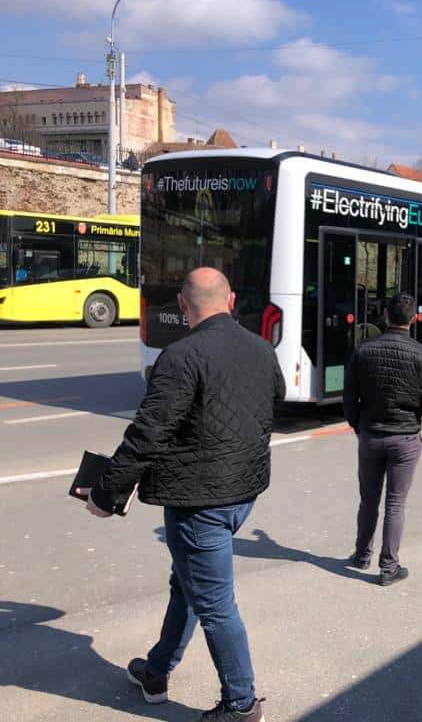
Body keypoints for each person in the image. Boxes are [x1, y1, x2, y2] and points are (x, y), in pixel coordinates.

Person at [77, 267, 285, 722]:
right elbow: (276, 399)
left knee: (214, 604)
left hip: (200, 503)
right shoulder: (261, 348)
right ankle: (156, 670)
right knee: (187, 585)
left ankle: (242, 704)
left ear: (182, 305)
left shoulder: (180, 356)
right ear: (230, 302)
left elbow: (147, 435)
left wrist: (106, 493)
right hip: (243, 492)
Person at [344, 292, 422, 586]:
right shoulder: (421, 353)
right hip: (405, 437)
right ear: (413, 320)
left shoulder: (364, 350)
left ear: (386, 316)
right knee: (396, 502)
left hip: (371, 434)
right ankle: (389, 568)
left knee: (368, 499)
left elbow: (349, 397)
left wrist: (358, 426)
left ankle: (362, 554)